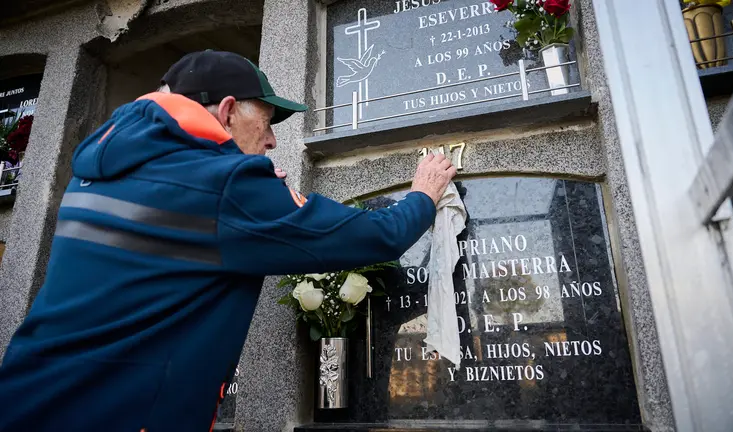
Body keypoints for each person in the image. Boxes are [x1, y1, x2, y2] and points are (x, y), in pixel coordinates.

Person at [0, 50, 456, 431]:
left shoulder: (97, 171)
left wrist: (250, 198)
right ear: (228, 111)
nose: (274, 140)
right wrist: (421, 194)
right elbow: (376, 236)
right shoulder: (224, 185)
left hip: (26, 399)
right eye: (268, 120)